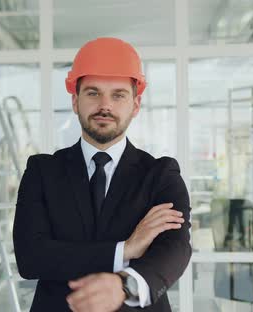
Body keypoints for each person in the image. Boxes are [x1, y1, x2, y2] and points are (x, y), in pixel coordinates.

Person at [13, 37, 191, 312]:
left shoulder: (161, 174)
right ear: (75, 101)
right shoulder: (42, 171)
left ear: (135, 105)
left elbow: (175, 250)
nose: (104, 105)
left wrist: (124, 285)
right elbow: (31, 258)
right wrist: (125, 250)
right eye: (93, 93)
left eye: (118, 95)